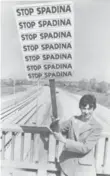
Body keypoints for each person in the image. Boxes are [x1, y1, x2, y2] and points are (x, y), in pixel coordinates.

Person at [50, 94, 102, 176]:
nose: (86, 112)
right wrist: (54, 123)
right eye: (84, 108)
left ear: (94, 108)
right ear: (80, 108)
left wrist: (64, 140)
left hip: (85, 170)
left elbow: (85, 148)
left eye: (89, 109)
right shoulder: (72, 120)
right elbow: (58, 129)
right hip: (66, 165)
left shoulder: (97, 127)